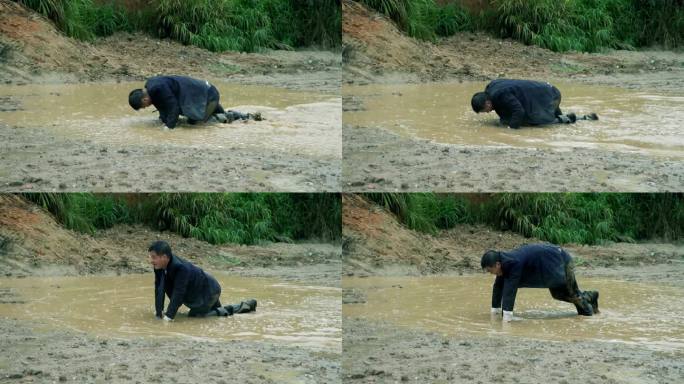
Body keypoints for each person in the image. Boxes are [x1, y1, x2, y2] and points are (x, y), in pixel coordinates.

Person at [481, 243, 598, 322]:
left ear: (497, 264)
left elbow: (510, 291)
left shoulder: (513, 263)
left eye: (490, 270)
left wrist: (507, 319)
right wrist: (494, 314)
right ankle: (589, 297)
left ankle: (591, 318)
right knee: (558, 294)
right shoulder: (504, 265)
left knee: (577, 300)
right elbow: (499, 287)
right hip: (549, 265)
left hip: (562, 260)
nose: (491, 273)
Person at [149, 240, 257, 321]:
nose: (151, 261)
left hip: (209, 291)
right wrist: (159, 313)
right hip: (200, 290)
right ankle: (246, 307)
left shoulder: (180, 268)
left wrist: (169, 317)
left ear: (164, 257)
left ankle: (244, 306)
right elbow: (159, 288)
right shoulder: (159, 266)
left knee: (195, 316)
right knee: (218, 315)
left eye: (154, 257)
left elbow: (179, 292)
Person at [128, 75, 262, 129]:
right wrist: (163, 120)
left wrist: (168, 128)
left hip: (210, 95)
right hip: (208, 96)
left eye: (143, 106)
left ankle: (243, 117)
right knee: (191, 119)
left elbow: (173, 107)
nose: (145, 107)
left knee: (198, 124)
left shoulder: (158, 88)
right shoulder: (151, 88)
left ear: (144, 99)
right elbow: (163, 108)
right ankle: (229, 114)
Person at [471, 79, 598, 129]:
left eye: (485, 110)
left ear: (487, 103)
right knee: (555, 119)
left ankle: (579, 118)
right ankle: (581, 118)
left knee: (538, 122)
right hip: (548, 91)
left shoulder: (500, 95)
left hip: (551, 96)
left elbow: (518, 111)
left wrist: (511, 128)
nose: (487, 112)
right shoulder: (491, 87)